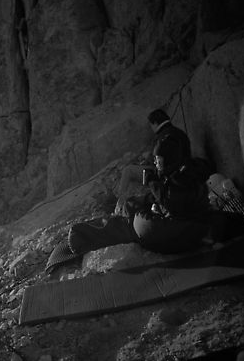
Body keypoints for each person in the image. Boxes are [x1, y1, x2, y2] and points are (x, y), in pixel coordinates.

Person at [45, 118, 210, 273]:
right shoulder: (182, 167)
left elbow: (171, 205)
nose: (156, 164)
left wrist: (153, 184)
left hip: (174, 231)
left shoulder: (180, 181)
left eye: (158, 161)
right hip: (179, 223)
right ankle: (94, 229)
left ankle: (85, 234)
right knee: (133, 206)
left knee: (136, 222)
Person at [115, 109, 191, 216]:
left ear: (155, 123)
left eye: (151, 126)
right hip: (185, 173)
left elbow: (161, 167)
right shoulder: (180, 133)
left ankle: (119, 206)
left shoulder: (161, 138)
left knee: (128, 170)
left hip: (167, 179)